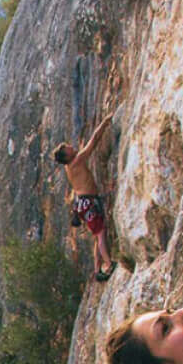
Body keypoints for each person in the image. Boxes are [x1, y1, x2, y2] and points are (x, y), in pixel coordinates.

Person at [54, 112, 116, 280]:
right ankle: (109, 264)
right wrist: (105, 122)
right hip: (88, 203)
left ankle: (98, 271)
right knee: (101, 233)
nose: (73, 148)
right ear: (67, 156)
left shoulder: (70, 166)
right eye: (70, 149)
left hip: (84, 203)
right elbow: (94, 141)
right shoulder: (77, 161)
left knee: (98, 235)